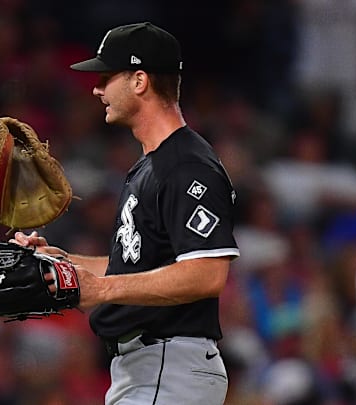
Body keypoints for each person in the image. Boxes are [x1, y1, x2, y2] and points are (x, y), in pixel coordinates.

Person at [13, 22, 240, 404]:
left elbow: (207, 273)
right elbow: (135, 269)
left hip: (168, 364)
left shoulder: (186, 165)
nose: (97, 88)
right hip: (149, 369)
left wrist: (101, 289)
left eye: (106, 76)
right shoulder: (152, 164)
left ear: (139, 81)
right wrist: (64, 263)